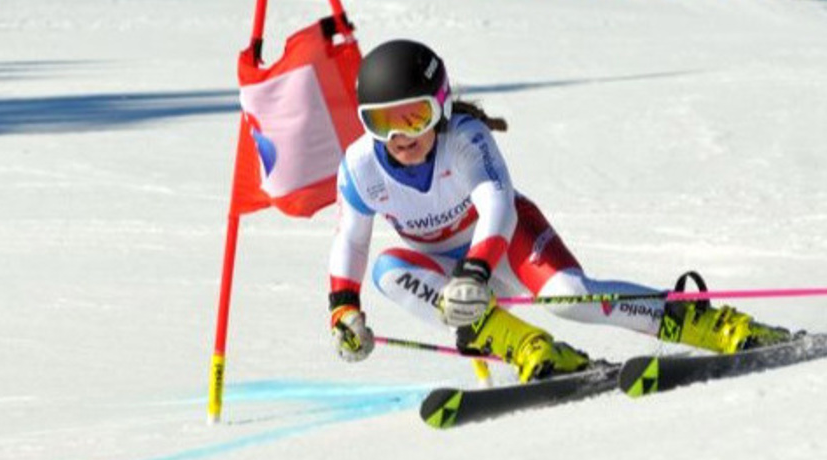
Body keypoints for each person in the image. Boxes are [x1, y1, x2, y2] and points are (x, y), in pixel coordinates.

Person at [327, 40, 792, 382]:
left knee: (570, 297)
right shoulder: (361, 165)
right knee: (388, 271)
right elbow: (351, 238)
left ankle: (713, 325)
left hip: (504, 241)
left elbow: (497, 206)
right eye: (382, 122)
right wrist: (343, 310)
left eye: (414, 117)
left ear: (442, 107)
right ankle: (533, 350)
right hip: (450, 267)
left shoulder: (465, 139)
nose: (401, 136)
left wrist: (477, 271)